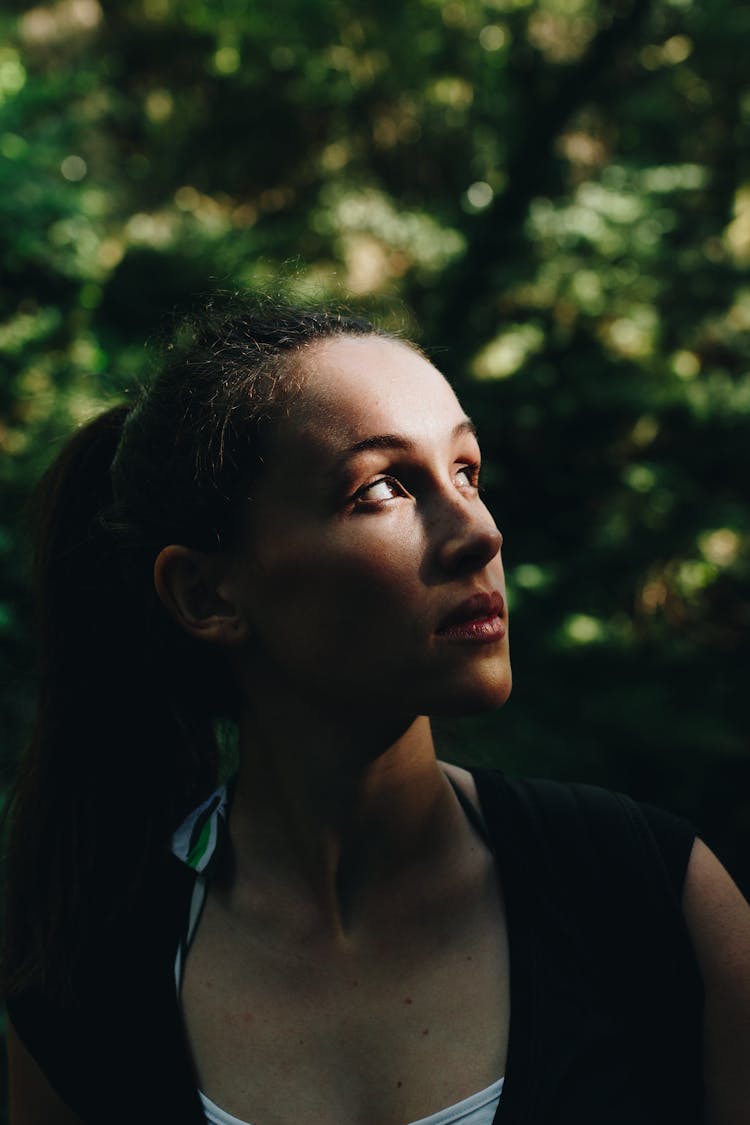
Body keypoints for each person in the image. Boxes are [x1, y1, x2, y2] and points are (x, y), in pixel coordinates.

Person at [3, 298, 749, 1125]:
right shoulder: (92, 984)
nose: (480, 532)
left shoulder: (654, 896)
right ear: (206, 593)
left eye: (467, 471)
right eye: (383, 487)